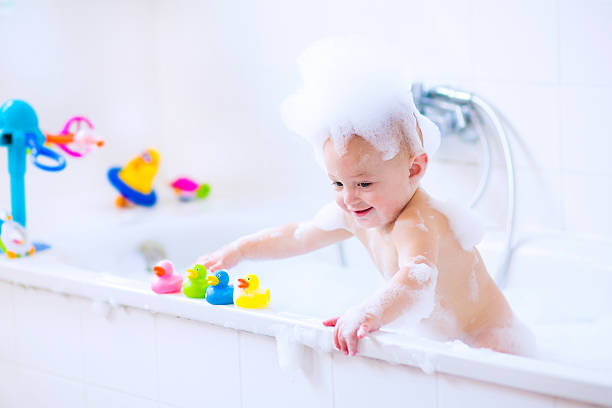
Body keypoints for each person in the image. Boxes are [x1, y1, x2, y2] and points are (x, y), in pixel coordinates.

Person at [197, 37, 535, 357]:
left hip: (490, 341)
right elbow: (297, 237)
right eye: (337, 183)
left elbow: (417, 279)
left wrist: (368, 312)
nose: (349, 199)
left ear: (413, 170)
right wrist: (239, 250)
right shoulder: (355, 213)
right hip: (447, 344)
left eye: (364, 184)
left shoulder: (417, 221)